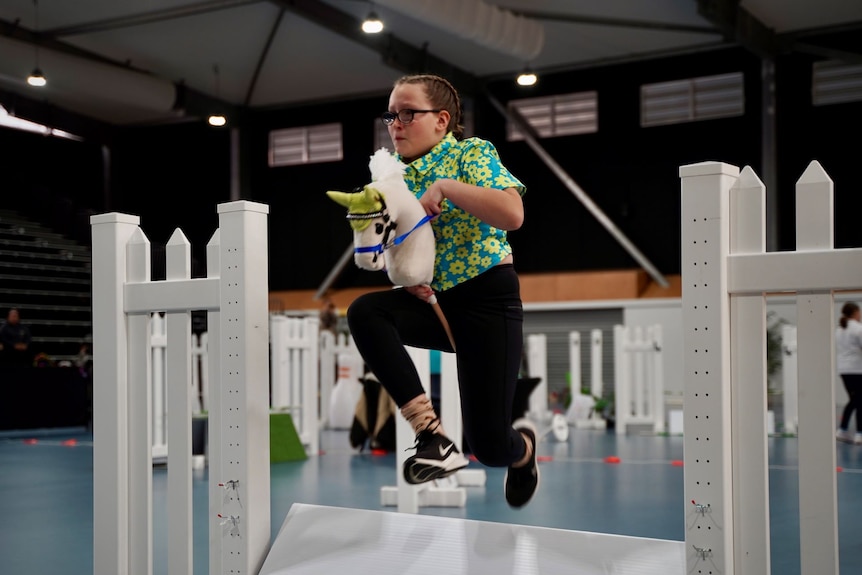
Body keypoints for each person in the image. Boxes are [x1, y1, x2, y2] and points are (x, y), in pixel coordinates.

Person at [346, 74, 538, 508]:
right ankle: (431, 437)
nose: (396, 123)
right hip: (436, 305)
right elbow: (393, 251)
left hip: (488, 300)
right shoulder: (394, 181)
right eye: (391, 115)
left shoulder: (471, 153)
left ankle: (523, 450)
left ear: (442, 121)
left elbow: (512, 214)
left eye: (408, 113)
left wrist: (446, 188)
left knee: (489, 447)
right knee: (366, 312)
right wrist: (405, 275)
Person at [836, 302, 862, 445]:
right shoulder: (858, 328)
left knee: (854, 400)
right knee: (859, 401)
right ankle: (859, 433)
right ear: (855, 312)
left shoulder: (839, 329)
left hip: (844, 370)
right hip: (857, 369)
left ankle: (843, 430)